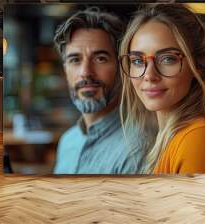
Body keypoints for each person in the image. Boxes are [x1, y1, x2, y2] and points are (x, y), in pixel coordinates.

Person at [119, 4, 205, 174]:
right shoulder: (168, 137)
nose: (149, 75)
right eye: (137, 61)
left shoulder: (198, 138)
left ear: (198, 65)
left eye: (167, 59)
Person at [53, 7, 145, 174]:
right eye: (75, 60)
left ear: (123, 67)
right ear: (65, 70)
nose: (86, 72)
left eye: (100, 58)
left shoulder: (137, 150)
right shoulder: (67, 141)